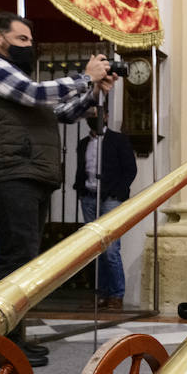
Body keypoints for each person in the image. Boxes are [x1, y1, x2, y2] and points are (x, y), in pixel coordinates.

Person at [0, 12, 112, 366]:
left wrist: (92, 89)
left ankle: (13, 338)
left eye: (30, 42)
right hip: (10, 170)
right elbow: (34, 94)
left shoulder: (15, 76)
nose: (28, 48)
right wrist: (83, 76)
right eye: (21, 41)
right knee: (16, 258)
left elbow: (64, 111)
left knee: (25, 261)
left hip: (28, 170)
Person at [74, 103, 137, 310]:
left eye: (97, 114)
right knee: (94, 248)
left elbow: (130, 170)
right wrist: (80, 190)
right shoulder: (83, 143)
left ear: (106, 116)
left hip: (111, 198)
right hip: (89, 197)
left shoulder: (118, 140)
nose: (93, 117)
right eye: (89, 114)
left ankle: (117, 294)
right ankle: (101, 294)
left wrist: (117, 192)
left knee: (111, 249)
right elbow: (81, 169)